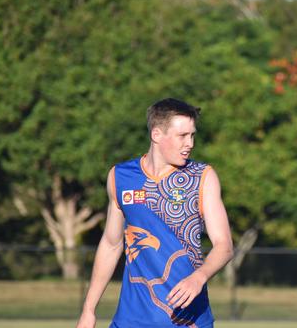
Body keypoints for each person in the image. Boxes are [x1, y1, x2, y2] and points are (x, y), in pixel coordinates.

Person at [76, 98, 234, 328]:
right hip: (130, 320)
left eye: (192, 135)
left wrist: (199, 277)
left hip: (186, 321)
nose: (189, 143)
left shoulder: (203, 177)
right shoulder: (120, 177)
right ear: (157, 134)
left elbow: (224, 245)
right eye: (182, 136)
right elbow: (111, 244)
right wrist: (89, 310)